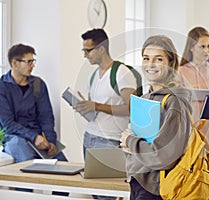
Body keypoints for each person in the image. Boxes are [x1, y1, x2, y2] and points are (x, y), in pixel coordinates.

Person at [120, 35, 192, 200]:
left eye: (158, 59)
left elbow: (164, 156)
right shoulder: (145, 98)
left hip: (157, 189)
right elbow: (142, 142)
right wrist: (128, 146)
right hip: (138, 182)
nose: (150, 64)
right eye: (146, 58)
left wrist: (131, 142)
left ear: (171, 64)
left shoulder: (176, 101)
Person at [0, 44, 68, 196]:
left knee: (64, 167)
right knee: (26, 163)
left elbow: (46, 117)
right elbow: (8, 125)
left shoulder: (38, 84)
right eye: (28, 61)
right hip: (14, 137)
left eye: (33, 61)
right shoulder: (2, 87)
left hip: (39, 136)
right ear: (14, 63)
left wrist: (49, 140)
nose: (32, 65)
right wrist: (33, 137)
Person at [77, 29, 137, 199]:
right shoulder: (93, 75)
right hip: (89, 137)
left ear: (101, 49)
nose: (85, 56)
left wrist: (96, 105)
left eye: (88, 51)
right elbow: (95, 111)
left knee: (106, 194)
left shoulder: (122, 73)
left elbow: (131, 108)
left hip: (109, 140)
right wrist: (84, 107)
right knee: (95, 192)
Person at [179, 26, 209, 171]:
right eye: (202, 46)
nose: (206, 50)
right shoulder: (180, 72)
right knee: (194, 189)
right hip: (192, 140)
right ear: (192, 48)